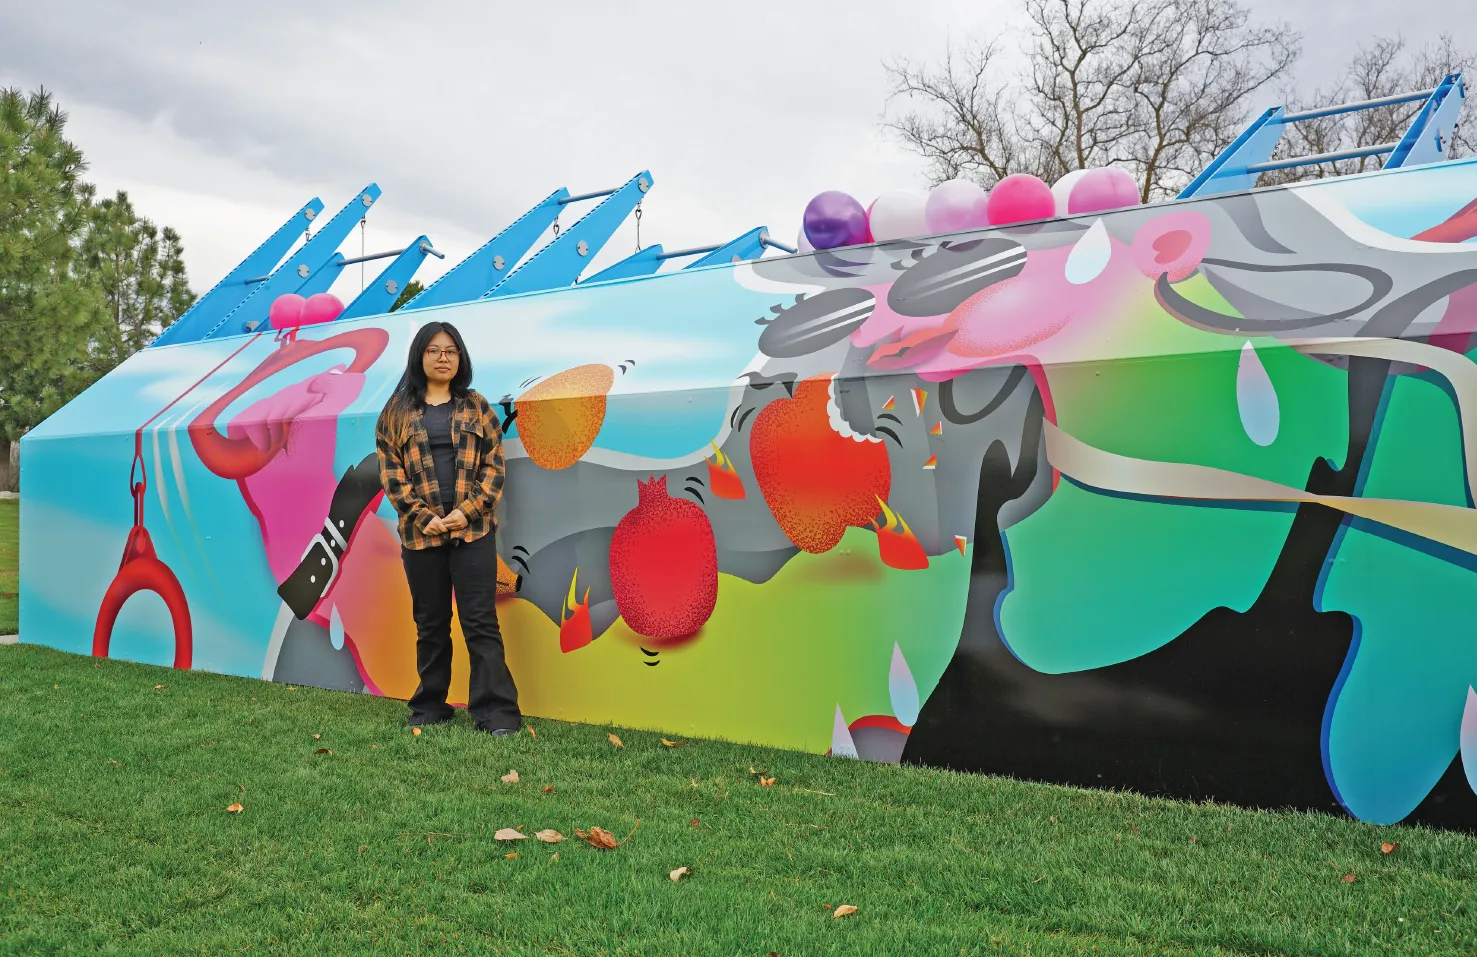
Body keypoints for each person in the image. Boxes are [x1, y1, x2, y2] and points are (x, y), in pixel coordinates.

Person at [374, 321, 520, 735]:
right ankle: (430, 707)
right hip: (421, 536)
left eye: (451, 351)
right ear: (420, 356)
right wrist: (428, 518)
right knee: (431, 623)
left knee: (480, 621)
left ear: (461, 358)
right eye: (435, 350)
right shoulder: (396, 412)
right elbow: (392, 476)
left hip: (473, 532)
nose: (443, 357)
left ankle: (497, 713)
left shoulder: (478, 407)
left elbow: (495, 467)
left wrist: (468, 511)